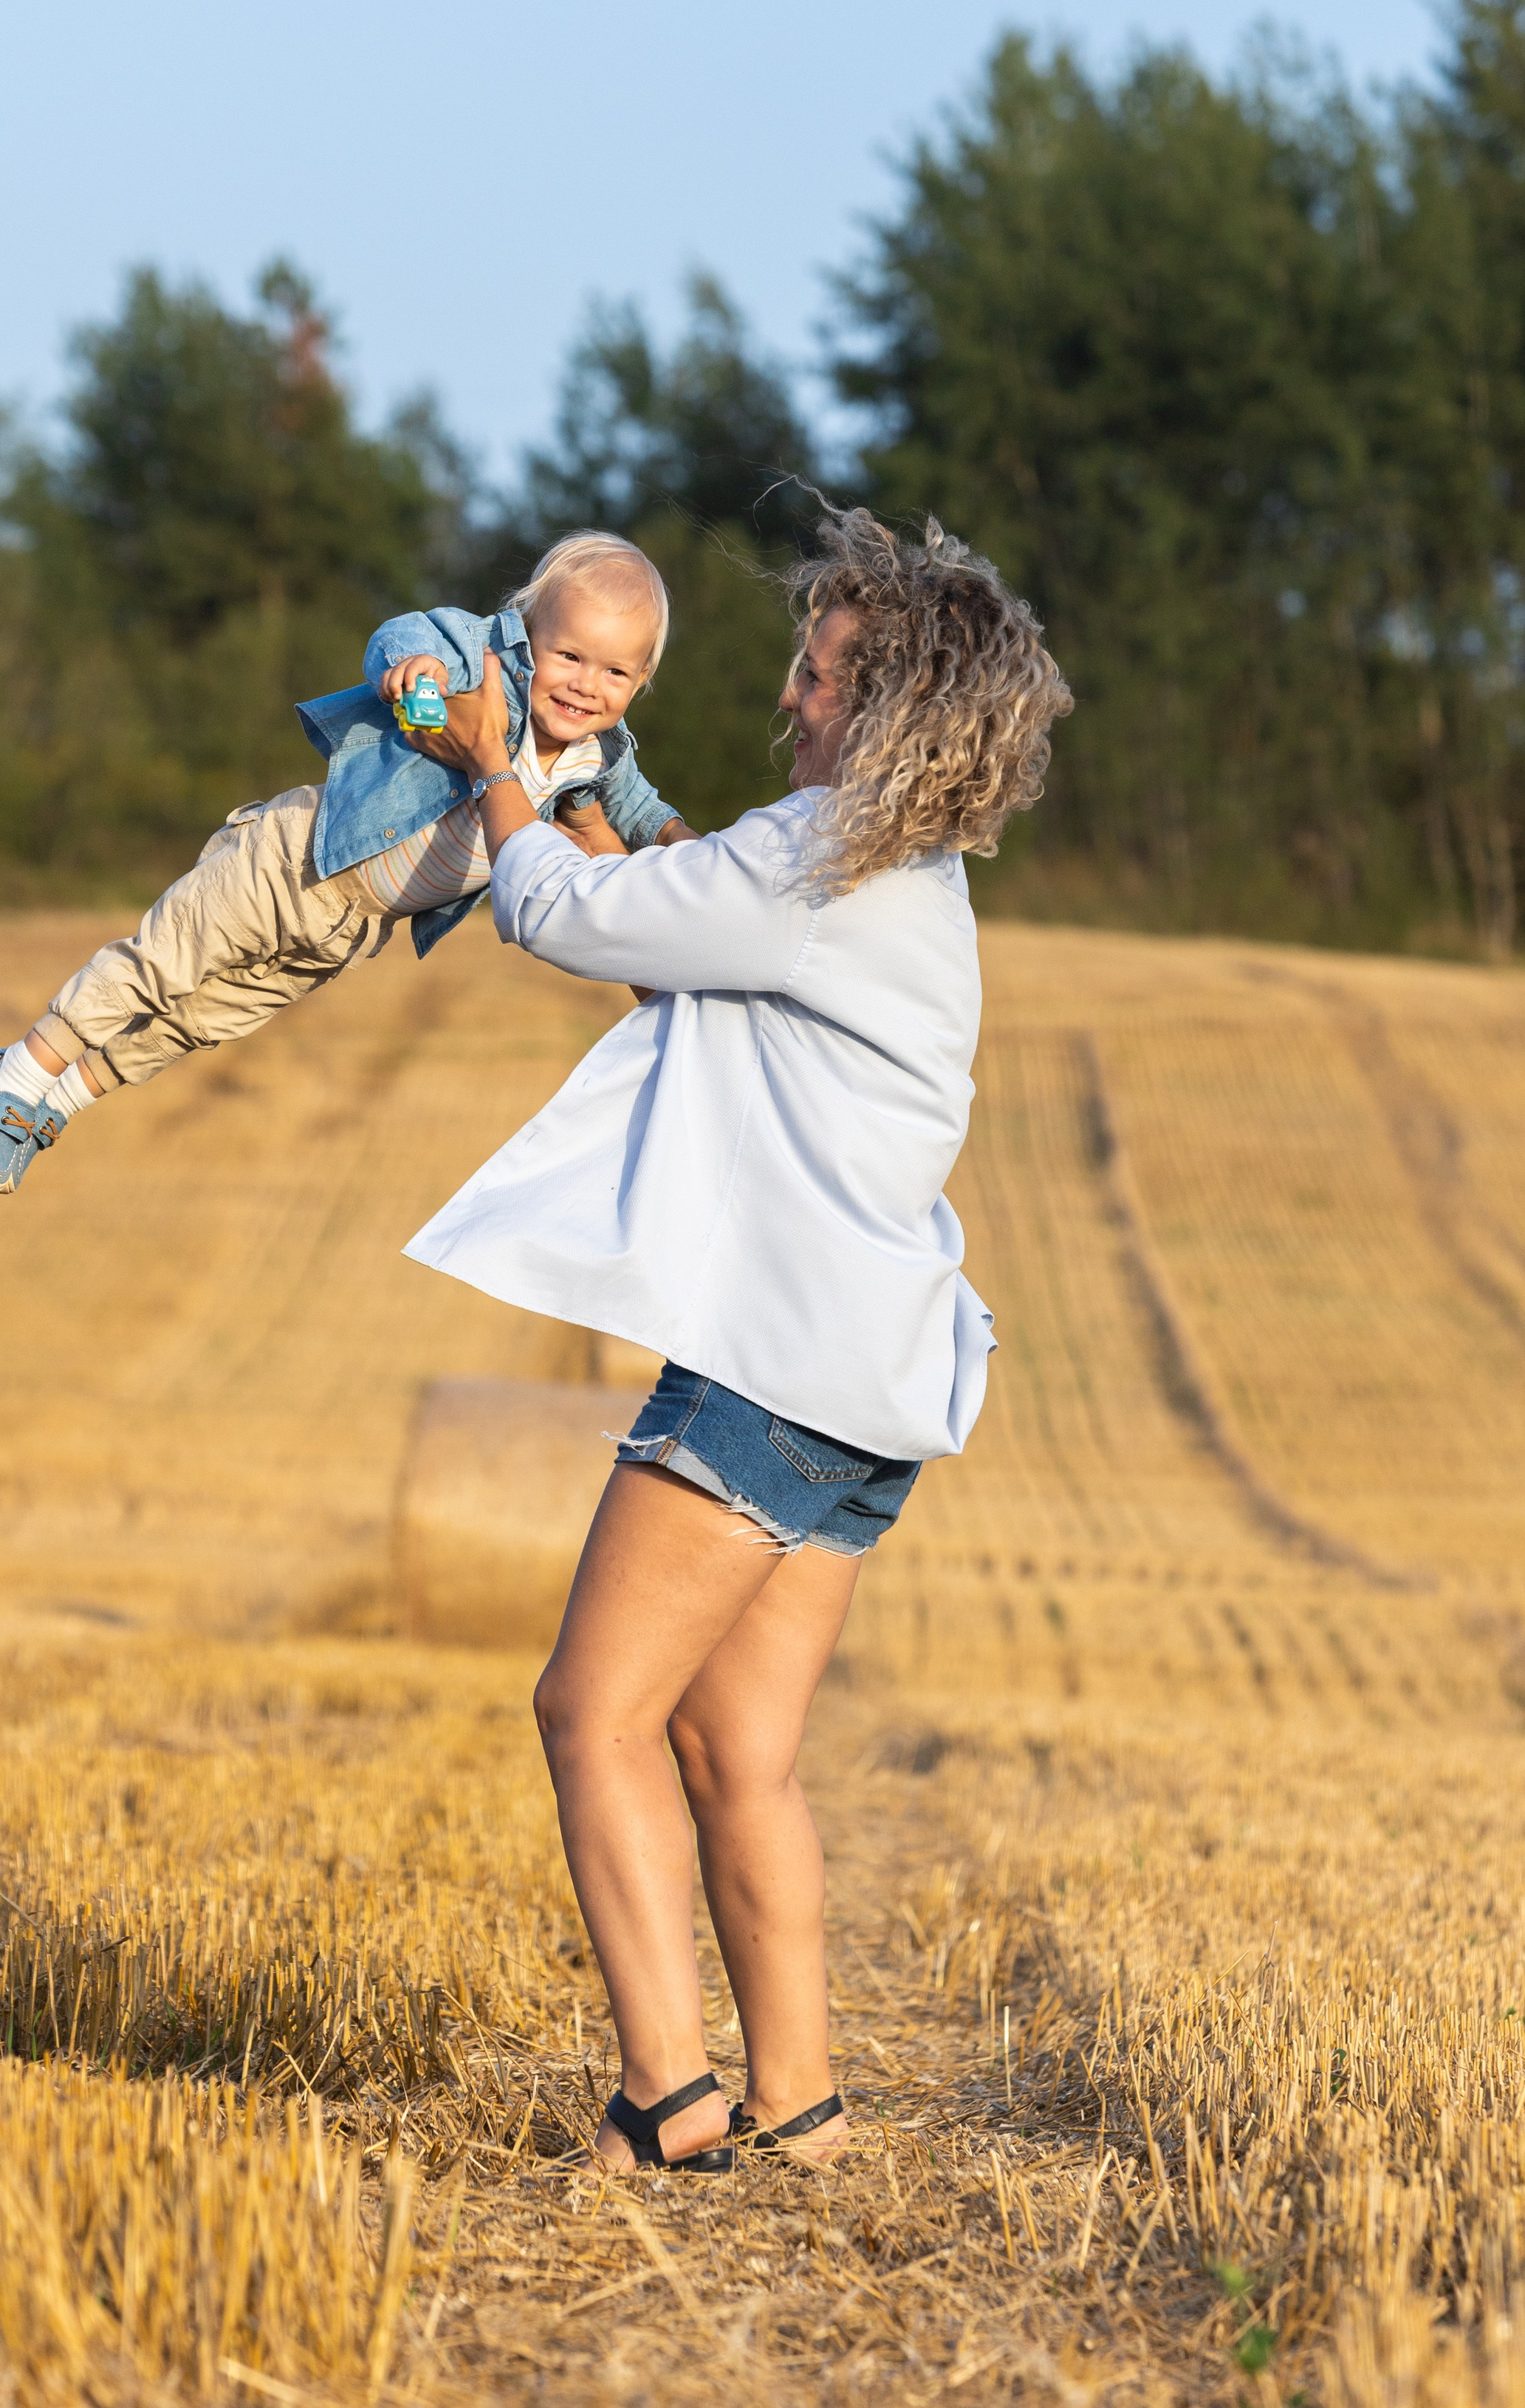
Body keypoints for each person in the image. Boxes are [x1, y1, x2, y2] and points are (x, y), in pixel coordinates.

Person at [404, 506, 1072, 2171]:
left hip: (774, 1370)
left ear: (894, 707)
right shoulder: (893, 882)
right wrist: (592, 822)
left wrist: (500, 760)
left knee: (593, 1714)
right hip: (870, 1389)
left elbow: (560, 917)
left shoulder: (818, 857)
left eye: (823, 673)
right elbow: (678, 941)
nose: (791, 695)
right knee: (734, 1747)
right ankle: (803, 2106)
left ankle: (668, 2100)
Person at [0, 533, 694, 1194]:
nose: (585, 685)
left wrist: (694, 851)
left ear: (640, 685)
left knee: (206, 1018)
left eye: (614, 674)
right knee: (163, 963)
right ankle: (16, 1073)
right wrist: (415, 671)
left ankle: (63, 1100)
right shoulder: (485, 663)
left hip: (354, 925)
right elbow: (400, 635)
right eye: (568, 656)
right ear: (531, 637)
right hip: (298, 855)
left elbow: (641, 813)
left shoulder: (600, 758)